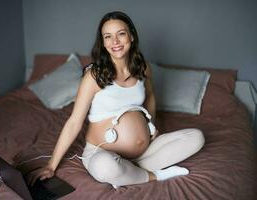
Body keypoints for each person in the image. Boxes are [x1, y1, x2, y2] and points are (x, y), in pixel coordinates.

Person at [27, 11, 205, 188]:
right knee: (106, 168)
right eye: (108, 37)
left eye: (121, 34)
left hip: (143, 151)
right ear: (103, 43)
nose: (115, 42)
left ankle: (129, 171)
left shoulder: (143, 68)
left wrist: (151, 127)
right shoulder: (94, 76)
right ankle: (154, 175)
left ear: (131, 36)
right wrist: (51, 165)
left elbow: (150, 97)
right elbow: (74, 122)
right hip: (102, 152)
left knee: (196, 138)